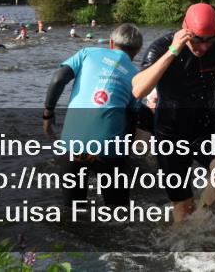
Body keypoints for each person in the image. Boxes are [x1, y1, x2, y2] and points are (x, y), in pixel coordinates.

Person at [132, 3, 215, 222]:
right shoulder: (161, 46)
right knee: (182, 209)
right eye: (197, 39)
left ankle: (202, 215)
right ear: (184, 28)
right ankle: (185, 247)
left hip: (206, 127)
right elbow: (139, 89)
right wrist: (173, 51)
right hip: (169, 133)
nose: (204, 47)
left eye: (209, 39)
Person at [43, 24, 151, 211]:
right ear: (138, 50)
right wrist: (124, 156)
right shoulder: (137, 77)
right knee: (118, 213)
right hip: (107, 151)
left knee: (72, 212)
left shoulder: (87, 53)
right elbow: (131, 119)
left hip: (71, 145)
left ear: (110, 43)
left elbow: (58, 79)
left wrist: (48, 114)